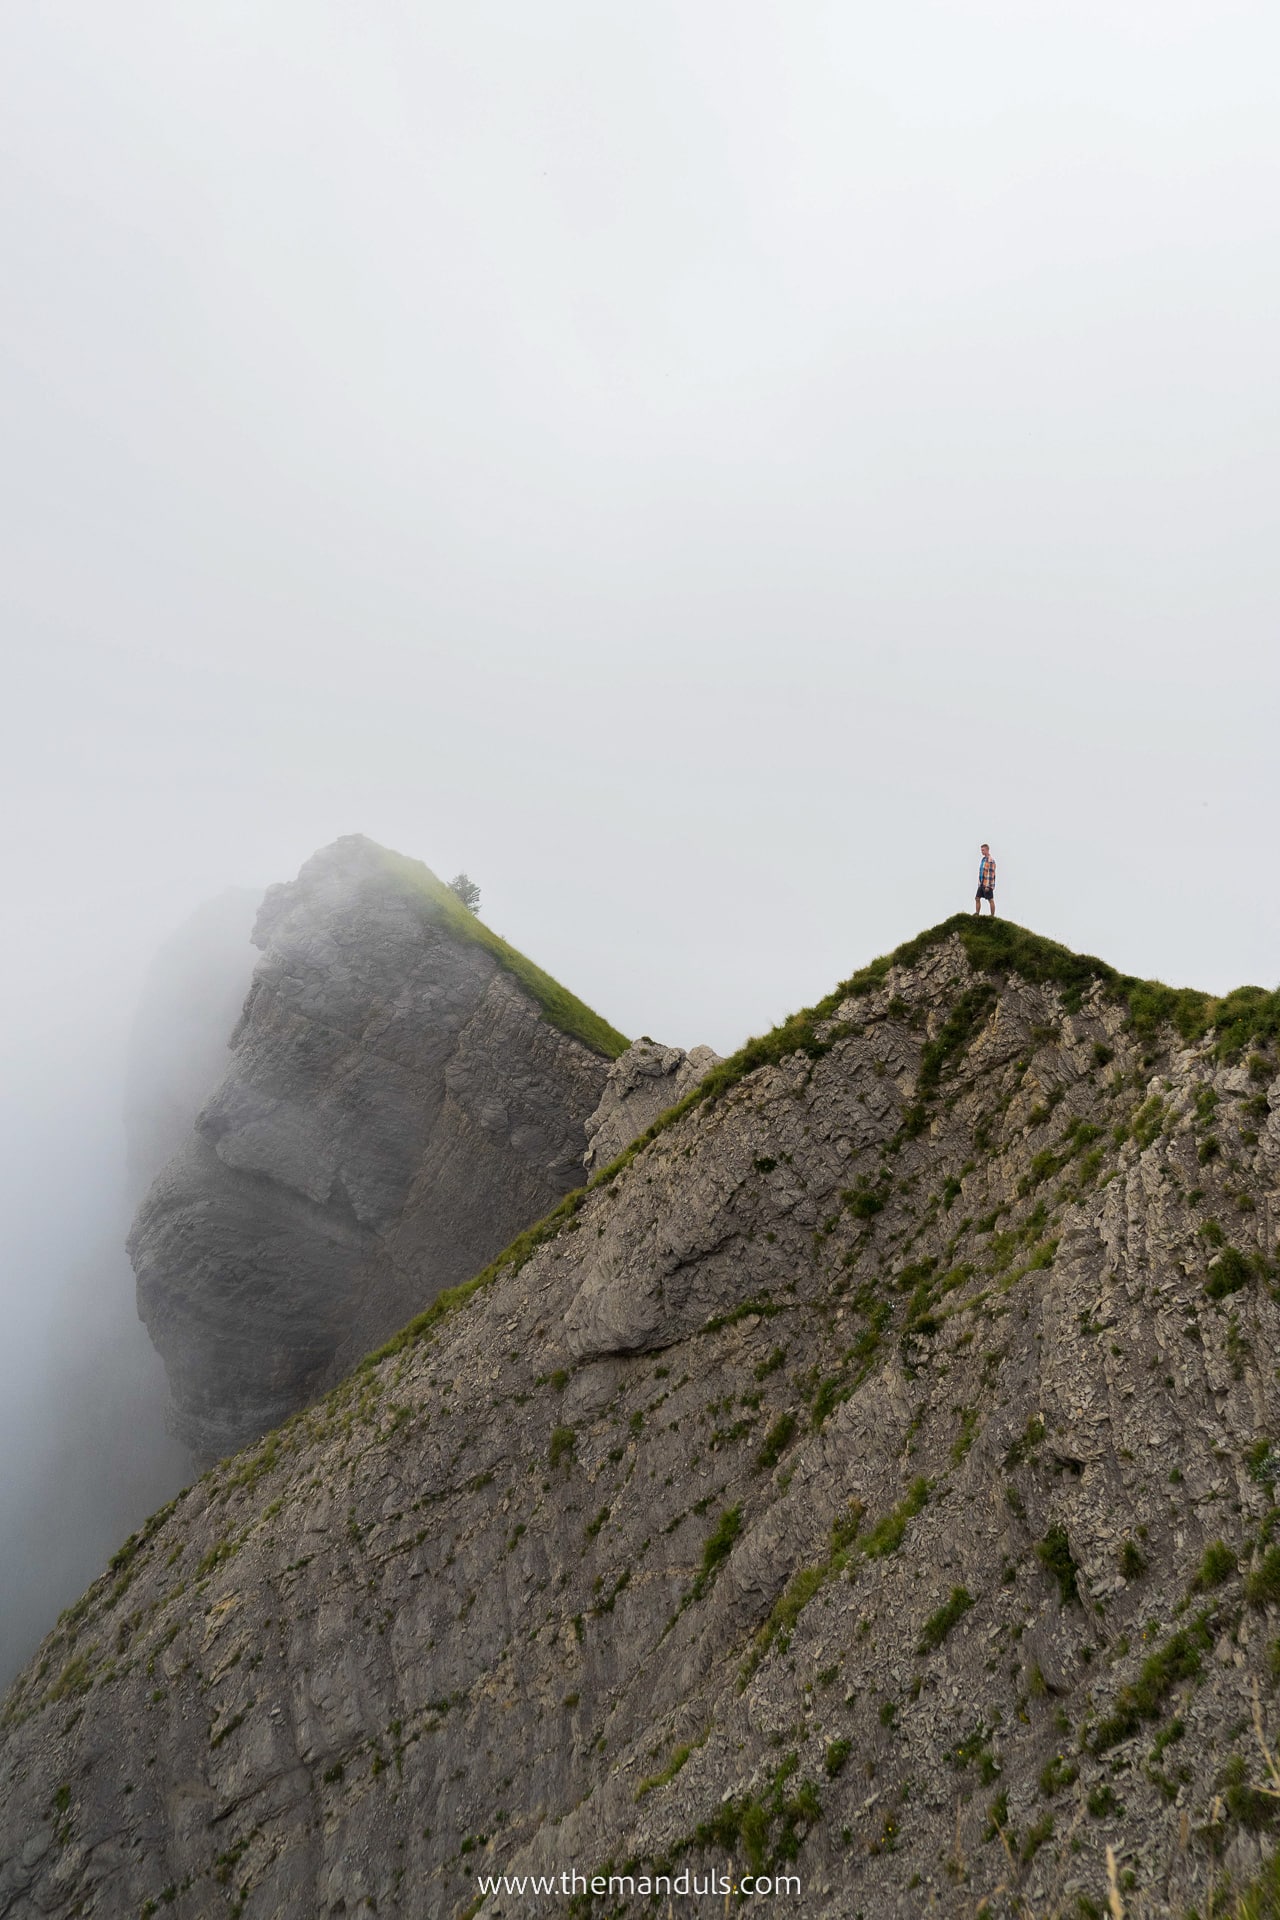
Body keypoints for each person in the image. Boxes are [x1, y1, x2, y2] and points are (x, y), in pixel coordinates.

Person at [975, 843, 996, 917]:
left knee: (990, 899)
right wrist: (979, 883)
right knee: (977, 898)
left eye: (983, 850)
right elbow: (981, 872)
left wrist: (988, 886)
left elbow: (991, 874)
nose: (982, 852)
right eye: (981, 850)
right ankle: (977, 913)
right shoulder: (983, 859)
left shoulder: (991, 860)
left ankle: (992, 915)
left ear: (987, 850)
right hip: (981, 883)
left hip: (987, 884)